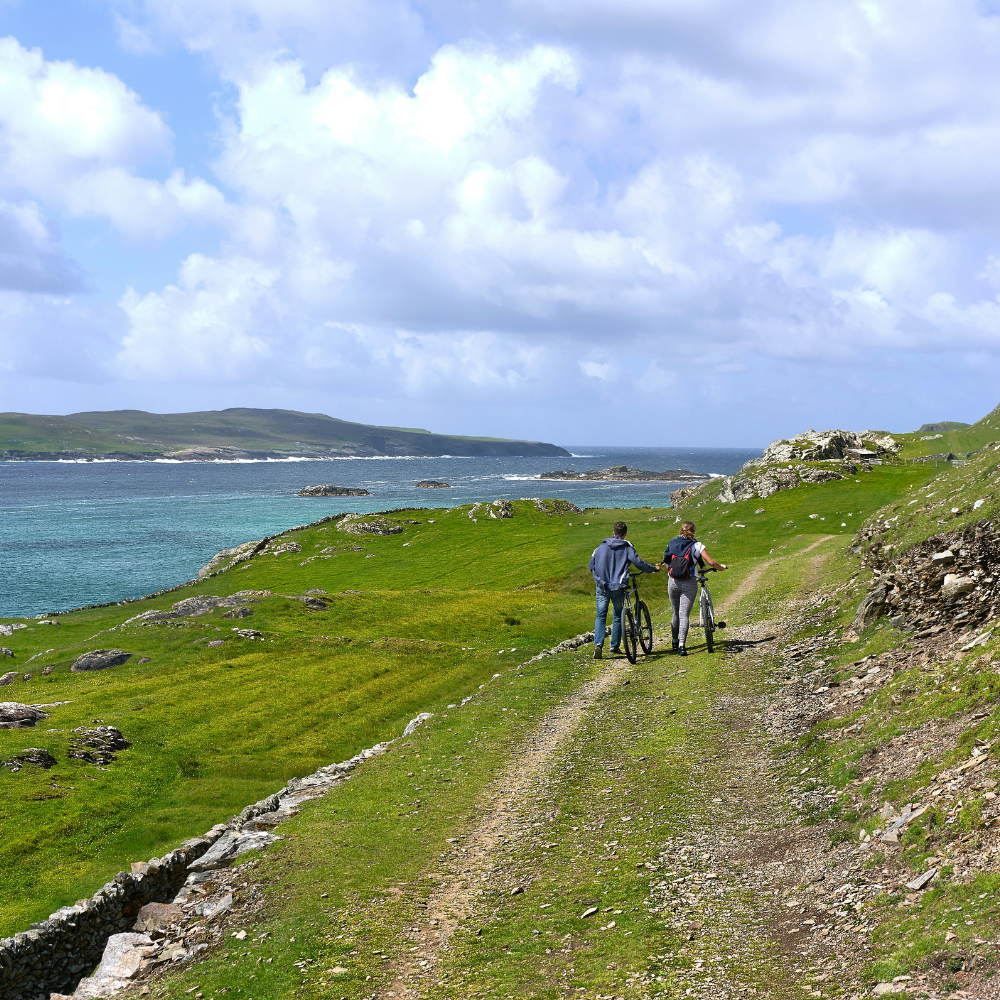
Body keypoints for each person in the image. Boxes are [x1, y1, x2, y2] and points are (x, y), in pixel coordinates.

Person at [588, 521, 660, 659]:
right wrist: (653, 569)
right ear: (625, 534)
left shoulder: (599, 548)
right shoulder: (627, 546)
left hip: (602, 587)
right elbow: (639, 563)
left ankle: (598, 645)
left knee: (601, 616)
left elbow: (592, 565)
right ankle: (614, 646)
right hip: (618, 587)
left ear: (613, 532)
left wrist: (600, 581)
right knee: (617, 616)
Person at [663, 520, 727, 656]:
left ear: (681, 530)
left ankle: (674, 642)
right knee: (684, 614)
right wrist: (721, 567)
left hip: (673, 582)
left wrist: (672, 571)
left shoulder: (672, 542)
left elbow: (665, 562)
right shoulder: (697, 545)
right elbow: (711, 562)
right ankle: (682, 646)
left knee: (675, 613)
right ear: (693, 532)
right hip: (689, 582)